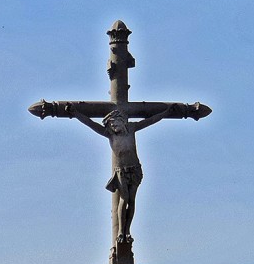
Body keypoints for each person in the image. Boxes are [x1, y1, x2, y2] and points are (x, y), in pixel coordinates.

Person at [67, 102, 179, 252]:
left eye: (114, 124)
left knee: (132, 200)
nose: (113, 127)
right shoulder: (110, 135)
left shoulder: (132, 129)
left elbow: (150, 121)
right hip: (121, 171)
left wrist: (165, 113)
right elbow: (91, 123)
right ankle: (121, 231)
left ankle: (127, 230)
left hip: (135, 169)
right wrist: (75, 113)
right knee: (124, 198)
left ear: (121, 120)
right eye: (110, 126)